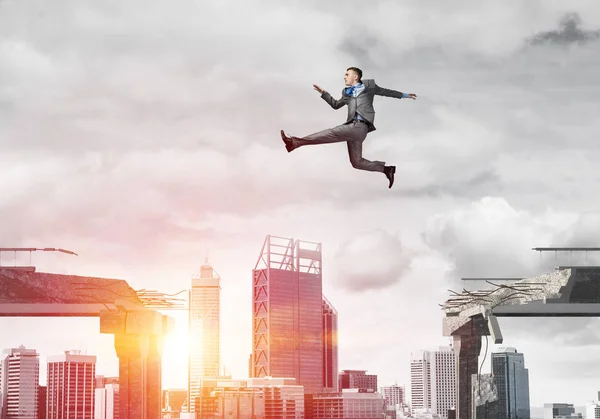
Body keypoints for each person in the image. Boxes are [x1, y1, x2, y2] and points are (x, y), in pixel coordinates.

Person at [280, 67, 417, 188]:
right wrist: (324, 93)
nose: (344, 77)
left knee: (331, 133)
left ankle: (294, 142)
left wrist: (405, 95)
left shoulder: (370, 86)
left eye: (347, 74)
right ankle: (386, 169)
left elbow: (386, 92)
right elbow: (335, 105)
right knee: (356, 162)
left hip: (360, 127)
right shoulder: (347, 93)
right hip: (353, 128)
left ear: (355, 76)